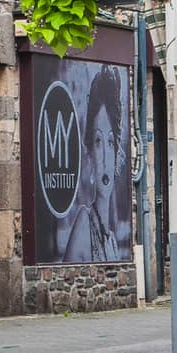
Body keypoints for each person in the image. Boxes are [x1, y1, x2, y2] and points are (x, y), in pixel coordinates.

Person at [63, 65, 124, 264]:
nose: (106, 156)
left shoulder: (110, 235)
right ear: (89, 155)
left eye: (110, 142)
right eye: (98, 142)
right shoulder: (84, 222)